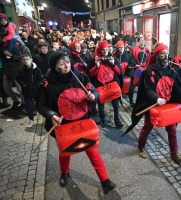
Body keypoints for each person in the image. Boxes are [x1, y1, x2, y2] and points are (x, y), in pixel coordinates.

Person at [36, 51, 116, 193]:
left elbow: (94, 90)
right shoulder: (47, 84)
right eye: (61, 63)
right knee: (65, 152)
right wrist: (52, 114)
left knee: (93, 151)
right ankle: (64, 172)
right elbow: (41, 106)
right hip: (63, 124)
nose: (66, 65)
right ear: (55, 67)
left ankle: (105, 180)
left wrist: (93, 96)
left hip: (82, 121)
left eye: (67, 61)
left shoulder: (80, 76)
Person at [123, 43, 181, 163]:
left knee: (172, 130)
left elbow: (178, 89)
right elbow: (148, 89)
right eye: (162, 53)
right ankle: (140, 147)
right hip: (154, 105)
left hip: (167, 107)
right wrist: (157, 99)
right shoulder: (149, 72)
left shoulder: (172, 71)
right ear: (157, 56)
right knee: (147, 127)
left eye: (166, 53)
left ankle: (174, 153)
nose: (165, 56)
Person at [88, 40, 124, 129]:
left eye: (107, 49)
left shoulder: (112, 58)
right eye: (103, 50)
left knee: (116, 104)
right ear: (100, 50)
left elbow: (119, 72)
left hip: (112, 84)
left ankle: (117, 120)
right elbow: (90, 75)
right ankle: (103, 119)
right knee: (101, 104)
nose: (105, 52)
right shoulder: (93, 60)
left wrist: (113, 64)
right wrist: (96, 66)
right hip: (100, 85)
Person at [16, 54, 44, 127]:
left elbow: (41, 79)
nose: (25, 61)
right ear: (22, 61)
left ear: (31, 59)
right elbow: (18, 78)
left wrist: (36, 85)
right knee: (28, 106)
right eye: (24, 59)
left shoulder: (37, 69)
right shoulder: (21, 70)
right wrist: (23, 84)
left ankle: (43, 119)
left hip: (36, 90)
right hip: (26, 90)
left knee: (39, 105)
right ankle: (31, 119)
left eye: (27, 59)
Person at [112, 40, 137, 105]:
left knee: (130, 88)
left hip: (127, 75)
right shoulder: (114, 55)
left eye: (122, 47)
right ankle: (119, 101)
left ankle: (131, 101)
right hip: (118, 76)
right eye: (120, 47)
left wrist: (129, 66)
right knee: (119, 89)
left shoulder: (127, 55)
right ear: (117, 48)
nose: (121, 49)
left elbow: (133, 63)